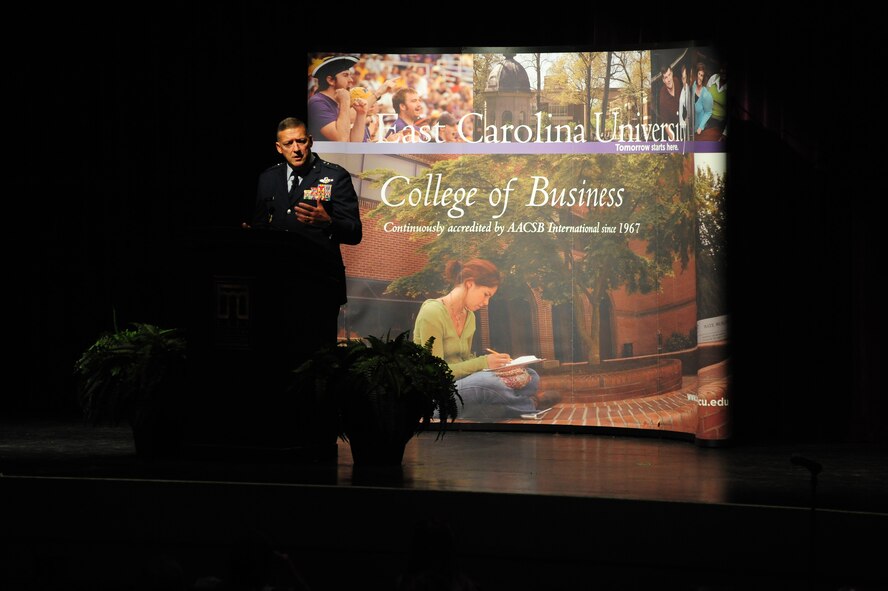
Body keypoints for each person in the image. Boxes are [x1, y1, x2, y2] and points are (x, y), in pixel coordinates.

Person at [250, 116, 362, 346]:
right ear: (278, 148)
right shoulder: (267, 179)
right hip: (276, 286)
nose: (296, 149)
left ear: (310, 141)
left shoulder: (335, 176)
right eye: (289, 144)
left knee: (318, 360)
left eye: (301, 141)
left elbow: (354, 233)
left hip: (319, 286)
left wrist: (329, 222)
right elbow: (262, 226)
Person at [412, 259, 560, 420]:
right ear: (469, 284)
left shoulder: (469, 317)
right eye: (486, 294)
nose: (486, 302)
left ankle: (496, 408)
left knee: (530, 375)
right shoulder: (432, 313)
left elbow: (465, 360)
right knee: (490, 384)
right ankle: (529, 404)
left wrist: (498, 368)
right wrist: (484, 363)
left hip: (463, 387)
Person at [657, 64, 680, 140]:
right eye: (666, 77)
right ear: (663, 80)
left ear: (672, 73)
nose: (669, 79)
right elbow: (666, 124)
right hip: (674, 131)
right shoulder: (662, 98)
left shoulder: (677, 81)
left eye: (669, 75)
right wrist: (675, 141)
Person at [693, 61, 714, 139]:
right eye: (699, 74)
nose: (699, 77)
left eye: (702, 75)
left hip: (701, 131)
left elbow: (709, 112)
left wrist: (701, 127)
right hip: (692, 128)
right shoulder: (693, 86)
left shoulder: (706, 95)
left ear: (704, 78)